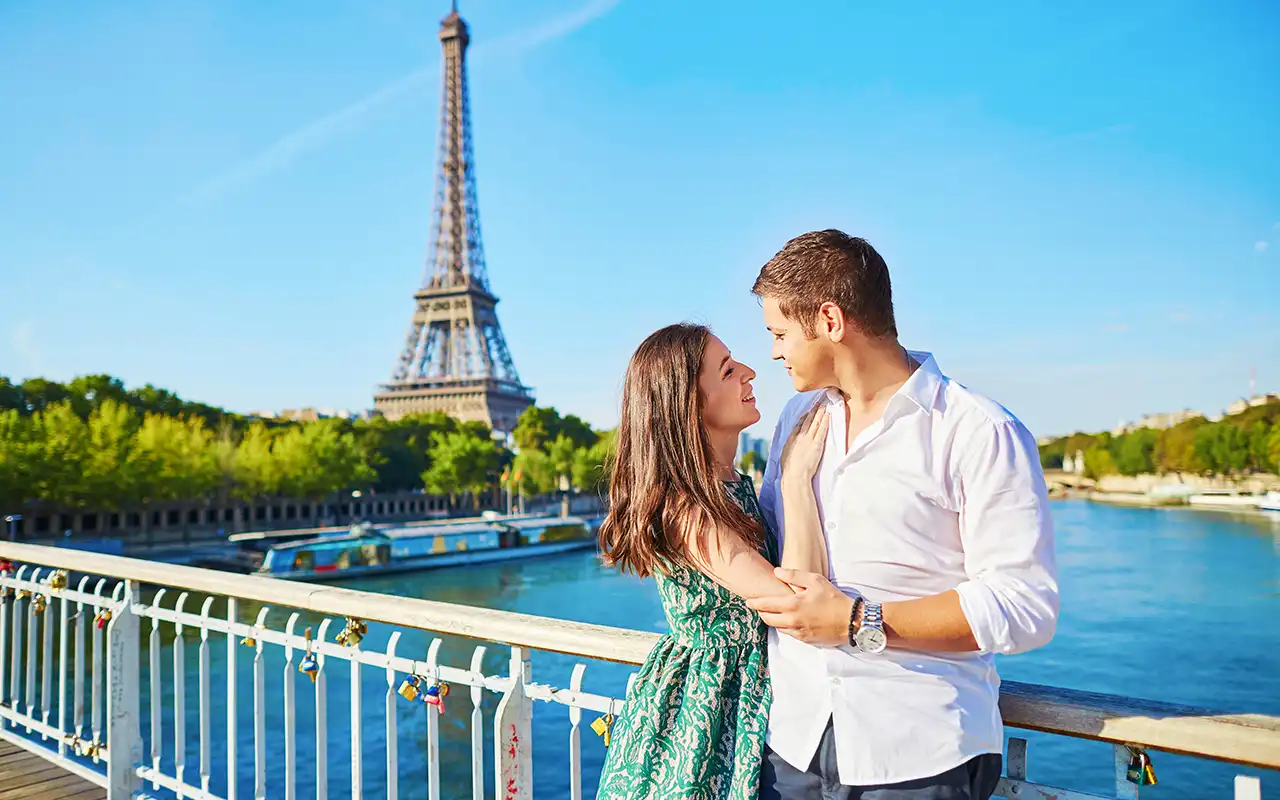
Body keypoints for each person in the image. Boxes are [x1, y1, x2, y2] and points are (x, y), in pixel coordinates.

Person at [746, 230, 1060, 799]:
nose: (773, 352)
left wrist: (857, 621)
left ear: (830, 320)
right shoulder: (795, 419)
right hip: (793, 742)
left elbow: (1024, 606)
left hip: (918, 757)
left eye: (780, 333)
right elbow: (775, 555)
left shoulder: (979, 431)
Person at [594, 322, 833, 800]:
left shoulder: (732, 489)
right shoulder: (684, 508)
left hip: (734, 699)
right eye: (727, 371)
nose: (749, 373)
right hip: (702, 717)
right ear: (690, 404)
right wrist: (795, 482)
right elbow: (792, 602)